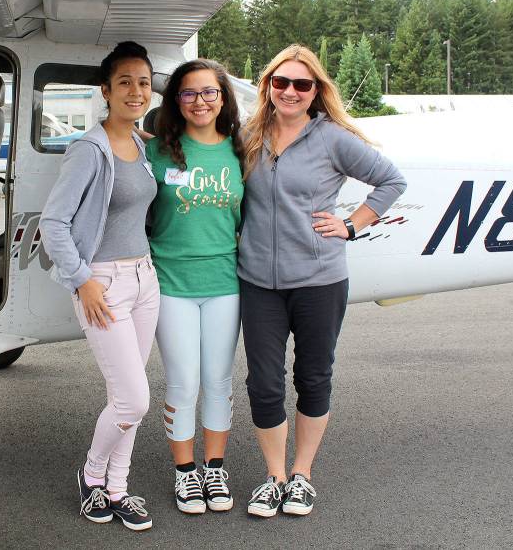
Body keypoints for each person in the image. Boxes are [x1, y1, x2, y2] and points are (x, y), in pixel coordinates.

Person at [238, 44, 406, 518]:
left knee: (313, 378)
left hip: (319, 280)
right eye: (281, 82)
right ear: (268, 85)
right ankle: (273, 477)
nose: (289, 91)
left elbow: (391, 181)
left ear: (316, 91)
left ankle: (302, 476)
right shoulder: (249, 134)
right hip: (258, 281)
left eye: (301, 84)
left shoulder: (333, 138)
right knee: (265, 385)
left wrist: (352, 224)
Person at [38, 41, 160, 532]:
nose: (136, 91)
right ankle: (91, 477)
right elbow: (54, 222)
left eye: (145, 83)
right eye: (125, 82)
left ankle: (118, 489)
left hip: (145, 280)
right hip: (104, 283)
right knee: (134, 400)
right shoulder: (89, 150)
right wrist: (82, 281)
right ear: (105, 91)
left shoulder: (142, 146)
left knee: (126, 395)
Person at [143, 59, 244, 514]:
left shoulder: (241, 150)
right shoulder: (158, 152)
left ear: (222, 98)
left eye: (208, 93)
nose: (200, 101)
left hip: (225, 283)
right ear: (176, 101)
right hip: (171, 283)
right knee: (184, 383)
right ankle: (186, 475)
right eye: (188, 93)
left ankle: (214, 469)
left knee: (219, 381)